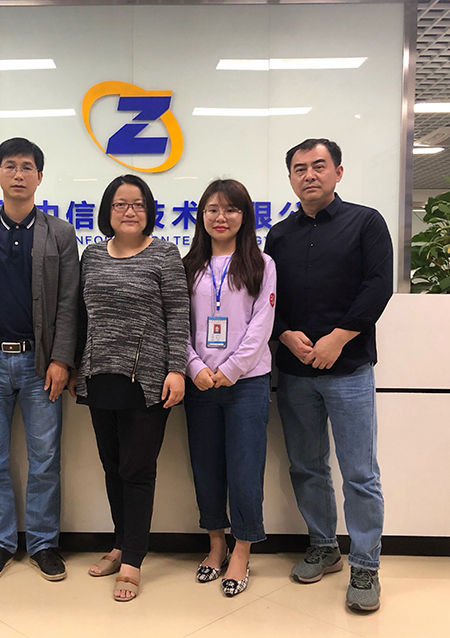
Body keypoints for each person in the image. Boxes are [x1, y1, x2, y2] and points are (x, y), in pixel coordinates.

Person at [264, 138, 393, 612]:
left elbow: (378, 285)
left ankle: (365, 564)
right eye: (299, 168)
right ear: (290, 178)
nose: (309, 175)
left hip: (349, 369)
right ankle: (323, 545)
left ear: (338, 172)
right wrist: (284, 334)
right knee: (306, 465)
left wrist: (338, 338)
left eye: (319, 166)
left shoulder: (366, 222)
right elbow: (267, 297)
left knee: (360, 473)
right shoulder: (279, 235)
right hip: (295, 371)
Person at [0, 138, 79, 583]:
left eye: (27, 167)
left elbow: (69, 302)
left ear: (40, 177)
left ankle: (43, 544)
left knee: (45, 459)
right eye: (10, 166)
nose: (19, 174)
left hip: (39, 364)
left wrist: (62, 359)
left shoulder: (60, 233)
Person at [69, 174, 189, 602]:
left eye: (137, 204)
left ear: (149, 210)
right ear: (108, 211)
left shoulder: (164, 253)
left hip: (148, 379)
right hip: (99, 374)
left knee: (137, 470)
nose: (129, 211)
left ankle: (134, 559)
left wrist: (177, 369)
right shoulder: (92, 255)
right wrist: (75, 367)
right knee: (112, 465)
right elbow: (81, 315)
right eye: (120, 204)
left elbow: (178, 313)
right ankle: (121, 544)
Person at [181, 179, 276, 598]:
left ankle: (242, 549)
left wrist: (233, 368)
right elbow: (178, 324)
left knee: (245, 468)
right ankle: (215, 543)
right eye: (213, 209)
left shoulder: (262, 264)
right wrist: (194, 367)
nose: (221, 217)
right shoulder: (188, 265)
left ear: (245, 216)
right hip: (200, 382)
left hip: (247, 383)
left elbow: (261, 326)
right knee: (205, 466)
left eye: (231, 209)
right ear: (201, 215)